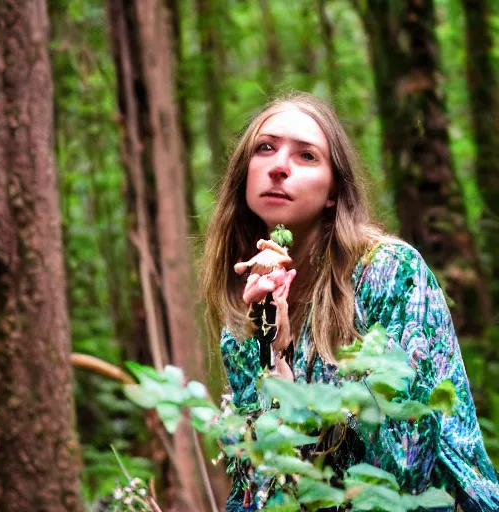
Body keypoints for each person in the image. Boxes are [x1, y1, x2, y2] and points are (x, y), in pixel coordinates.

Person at [200, 92, 499, 511]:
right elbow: (262, 483)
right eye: (265, 148)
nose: (279, 166)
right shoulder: (247, 314)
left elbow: (405, 469)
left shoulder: (390, 271)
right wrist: (274, 353)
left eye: (306, 156)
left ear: (332, 193)